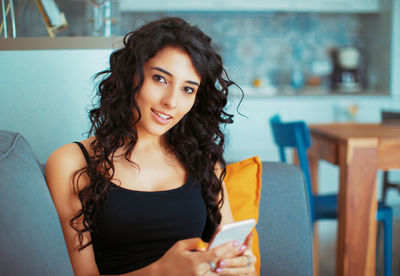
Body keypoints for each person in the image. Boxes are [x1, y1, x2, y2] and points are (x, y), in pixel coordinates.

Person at [45, 17, 256, 276]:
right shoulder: (71, 162)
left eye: (188, 90)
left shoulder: (202, 160)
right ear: (131, 74)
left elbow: (230, 252)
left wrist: (242, 266)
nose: (171, 102)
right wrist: (161, 271)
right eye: (160, 79)